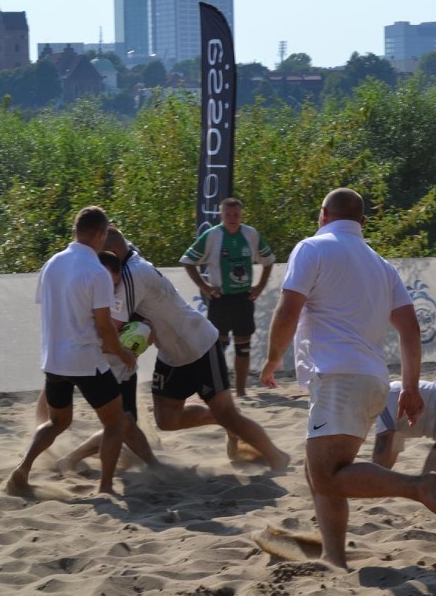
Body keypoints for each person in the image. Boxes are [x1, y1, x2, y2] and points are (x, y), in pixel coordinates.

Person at [260, 187, 436, 569]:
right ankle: (334, 557)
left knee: (328, 475)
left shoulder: (312, 247)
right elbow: (410, 328)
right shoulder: (382, 265)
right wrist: (411, 387)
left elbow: (288, 311)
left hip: (339, 377)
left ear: (322, 214)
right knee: (320, 469)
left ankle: (419, 487)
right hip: (372, 381)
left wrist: (271, 359)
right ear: (363, 223)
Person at [66, 226, 289, 472]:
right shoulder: (128, 260)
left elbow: (112, 327)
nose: (96, 263)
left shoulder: (132, 275)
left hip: (199, 344)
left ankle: (276, 456)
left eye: (101, 255)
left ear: (114, 252)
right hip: (172, 353)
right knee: (166, 420)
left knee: (227, 413)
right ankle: (222, 421)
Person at [9, 207, 137, 495]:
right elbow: (104, 328)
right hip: (85, 360)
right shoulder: (97, 271)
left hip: (53, 360)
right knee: (117, 422)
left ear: (75, 231)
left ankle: (23, 467)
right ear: (102, 234)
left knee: (57, 422)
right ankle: (105, 487)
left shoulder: (52, 263)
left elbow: (50, 309)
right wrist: (123, 353)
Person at [50, 250, 161, 473]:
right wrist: (118, 347)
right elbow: (93, 338)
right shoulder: (85, 296)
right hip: (102, 369)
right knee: (121, 423)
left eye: (115, 281)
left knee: (125, 424)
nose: (112, 287)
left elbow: (140, 323)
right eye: (108, 281)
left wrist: (146, 332)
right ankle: (155, 467)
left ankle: (71, 460)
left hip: (125, 367)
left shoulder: (124, 292)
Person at [181, 198, 275, 397]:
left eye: (236, 214)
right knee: (218, 348)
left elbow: (268, 261)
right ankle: (219, 389)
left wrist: (260, 286)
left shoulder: (251, 234)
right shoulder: (212, 235)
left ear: (241, 215)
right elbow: (188, 260)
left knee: (243, 348)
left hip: (243, 298)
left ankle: (241, 392)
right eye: (228, 214)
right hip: (220, 299)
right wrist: (204, 286)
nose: (232, 218)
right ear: (221, 215)